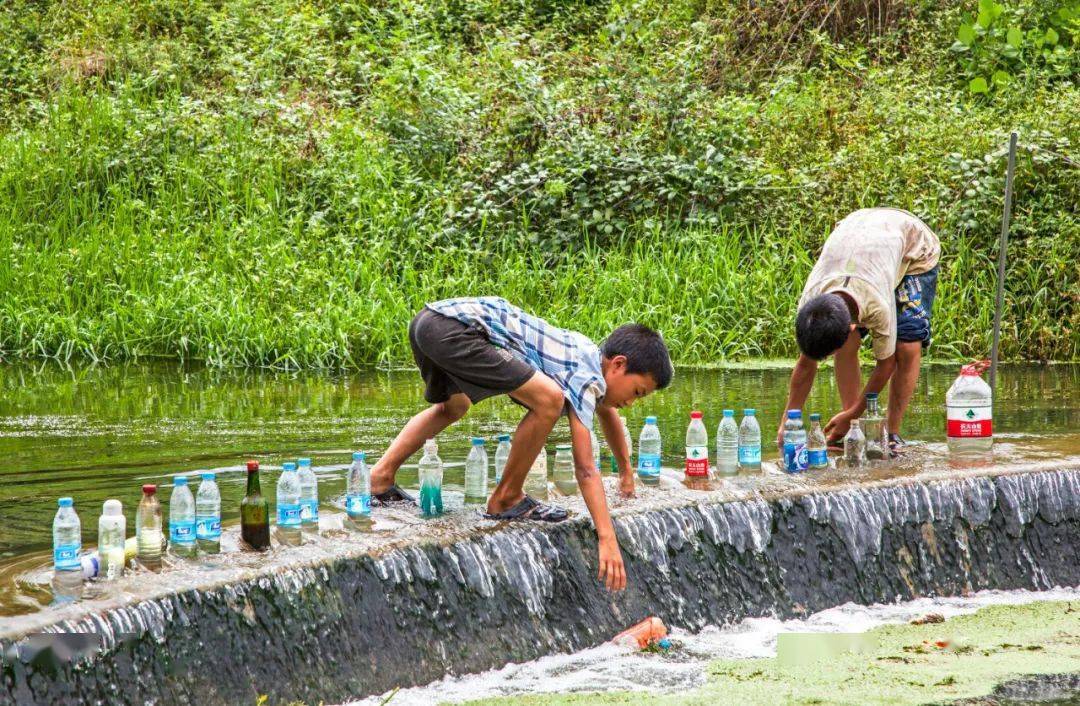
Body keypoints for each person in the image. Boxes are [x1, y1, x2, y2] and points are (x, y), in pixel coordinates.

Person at [370, 296, 674, 591]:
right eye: (637, 392)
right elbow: (585, 469)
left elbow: (606, 412)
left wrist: (626, 475)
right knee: (548, 400)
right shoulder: (587, 376)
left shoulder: (587, 355)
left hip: (429, 321)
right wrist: (606, 537)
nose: (632, 403)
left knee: (454, 406)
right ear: (618, 365)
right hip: (455, 330)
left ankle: (380, 479)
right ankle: (506, 497)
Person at [777, 208, 940, 452]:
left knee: (906, 345)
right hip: (857, 233)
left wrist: (856, 410)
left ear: (854, 324)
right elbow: (805, 363)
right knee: (847, 343)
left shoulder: (877, 306)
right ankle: (854, 429)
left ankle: (892, 434)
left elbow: (886, 364)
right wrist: (786, 423)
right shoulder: (811, 302)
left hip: (913, 247)